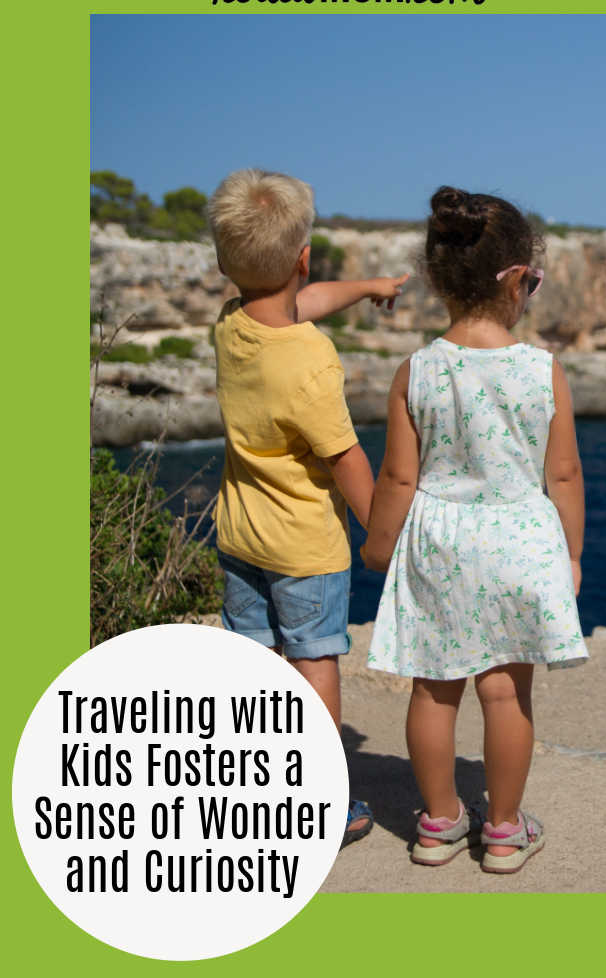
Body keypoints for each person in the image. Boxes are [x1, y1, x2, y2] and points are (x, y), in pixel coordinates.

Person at [361, 185, 589, 873]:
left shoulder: (417, 371)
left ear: (436, 280)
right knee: (505, 692)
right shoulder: (542, 370)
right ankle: (505, 831)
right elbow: (566, 476)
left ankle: (438, 823)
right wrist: (570, 558)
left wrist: (376, 545)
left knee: (434, 689)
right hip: (518, 542)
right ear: (520, 279)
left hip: (440, 542)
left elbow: (399, 478)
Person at [208, 168, 408, 848]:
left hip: (239, 539)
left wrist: (367, 289)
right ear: (302, 256)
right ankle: (324, 799)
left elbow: (299, 301)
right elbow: (347, 459)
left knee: (258, 668)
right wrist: (387, 540)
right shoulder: (309, 361)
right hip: (304, 551)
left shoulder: (230, 324)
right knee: (313, 663)